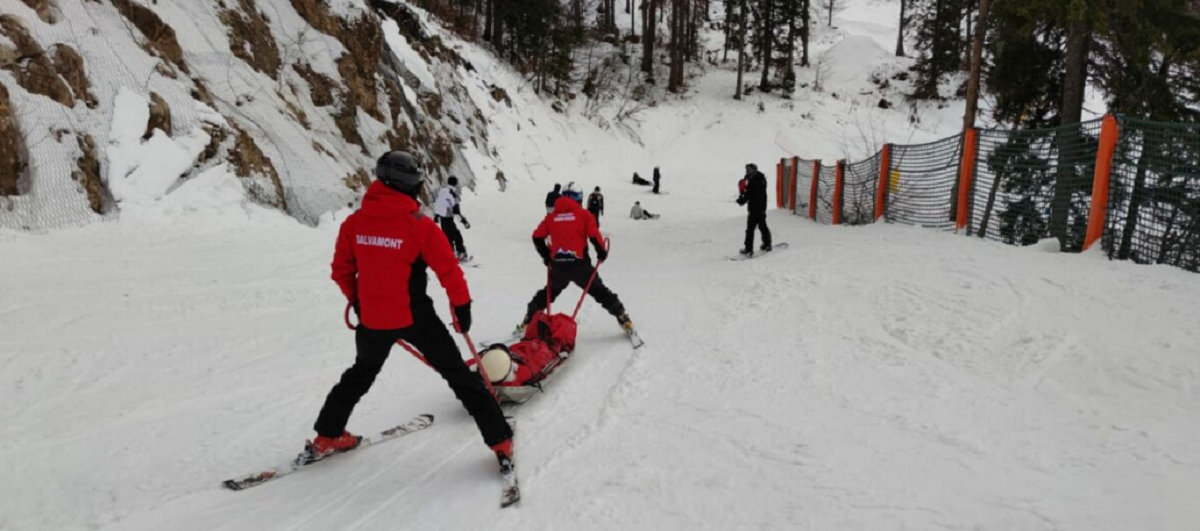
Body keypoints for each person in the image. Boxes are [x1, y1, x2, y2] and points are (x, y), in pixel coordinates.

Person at [312, 150, 513, 472]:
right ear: (410, 185)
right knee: (460, 377)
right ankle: (500, 439)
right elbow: (449, 272)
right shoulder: (419, 225)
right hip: (415, 317)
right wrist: (463, 309)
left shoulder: (354, 223)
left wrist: (360, 302)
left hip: (373, 320)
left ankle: (327, 435)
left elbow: (341, 270)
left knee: (359, 375)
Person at [520, 182, 633, 333]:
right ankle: (621, 315)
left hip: (558, 266)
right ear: (579, 197)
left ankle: (529, 317)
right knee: (599, 291)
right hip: (580, 266)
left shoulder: (552, 216)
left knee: (549, 292)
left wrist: (547, 257)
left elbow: (537, 236)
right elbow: (594, 236)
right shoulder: (585, 215)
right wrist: (601, 252)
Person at [433, 176, 471, 262]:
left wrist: (436, 215)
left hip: (442, 219)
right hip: (448, 218)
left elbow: (437, 202)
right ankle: (461, 253)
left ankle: (450, 254)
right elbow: (456, 212)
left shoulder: (442, 190)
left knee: (447, 237)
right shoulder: (453, 194)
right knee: (457, 236)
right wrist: (464, 222)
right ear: (456, 183)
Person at [737, 162, 771, 256]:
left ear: (753, 170)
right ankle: (767, 244)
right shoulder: (761, 178)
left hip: (754, 208)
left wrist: (742, 199)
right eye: (746, 170)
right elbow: (753, 193)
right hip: (761, 207)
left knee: (750, 229)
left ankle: (748, 249)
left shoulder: (753, 180)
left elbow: (749, 194)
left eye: (748, 170)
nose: (747, 171)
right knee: (762, 226)